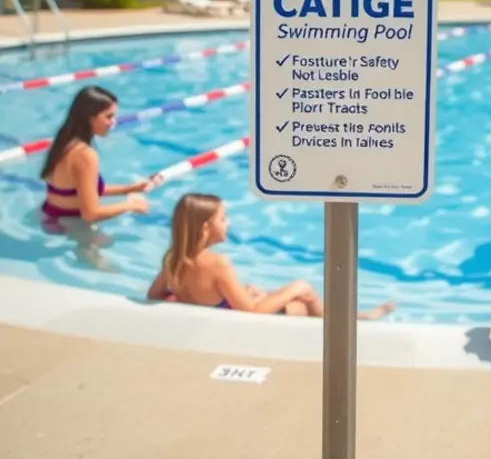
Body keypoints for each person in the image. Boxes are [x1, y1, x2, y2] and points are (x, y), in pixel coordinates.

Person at [148, 193, 396, 319]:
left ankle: (350, 318)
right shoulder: (217, 263)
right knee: (303, 295)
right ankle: (352, 321)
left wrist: (187, 299)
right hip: (241, 319)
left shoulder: (174, 259)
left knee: (263, 292)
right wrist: (295, 286)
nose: (228, 223)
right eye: (223, 219)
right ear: (205, 228)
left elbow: (155, 294)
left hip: (226, 309)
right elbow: (253, 313)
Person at [40, 86, 151, 223]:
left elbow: (81, 189)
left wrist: (128, 189)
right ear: (89, 118)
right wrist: (131, 205)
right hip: (70, 227)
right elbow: (91, 214)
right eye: (108, 116)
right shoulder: (85, 154)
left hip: (51, 218)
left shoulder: (64, 142)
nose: (113, 122)